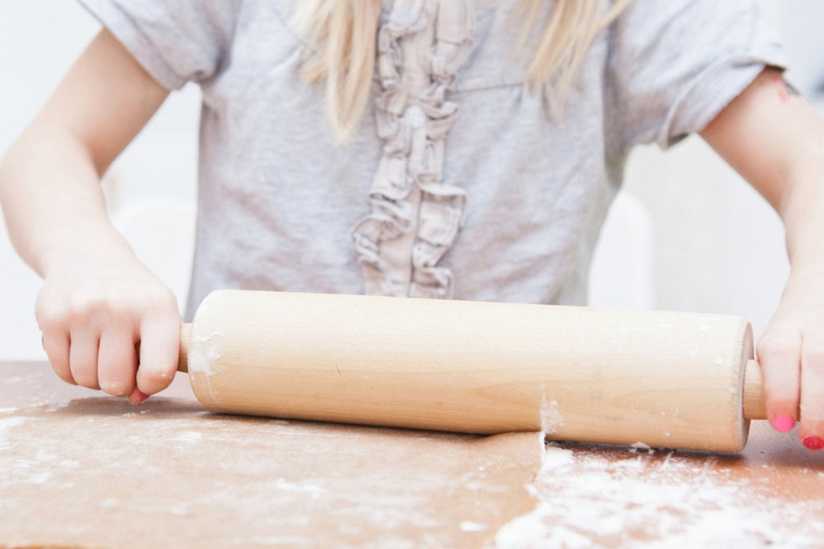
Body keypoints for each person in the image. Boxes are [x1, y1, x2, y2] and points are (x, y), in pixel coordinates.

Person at [1, 0, 823, 451]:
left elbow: (805, 161)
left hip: (512, 459)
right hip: (235, 447)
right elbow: (52, 144)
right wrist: (84, 252)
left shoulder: (623, 13)